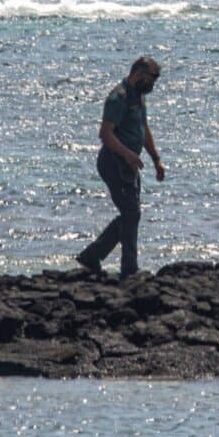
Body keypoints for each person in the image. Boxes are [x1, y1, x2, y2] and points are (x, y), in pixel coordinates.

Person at [76, 55, 164, 277]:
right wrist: (127, 154)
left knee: (130, 214)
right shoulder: (119, 97)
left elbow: (143, 129)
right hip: (113, 162)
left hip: (131, 164)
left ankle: (92, 256)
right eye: (152, 78)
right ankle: (128, 269)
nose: (153, 84)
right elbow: (105, 134)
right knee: (131, 213)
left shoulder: (139, 97)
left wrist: (156, 159)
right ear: (139, 73)